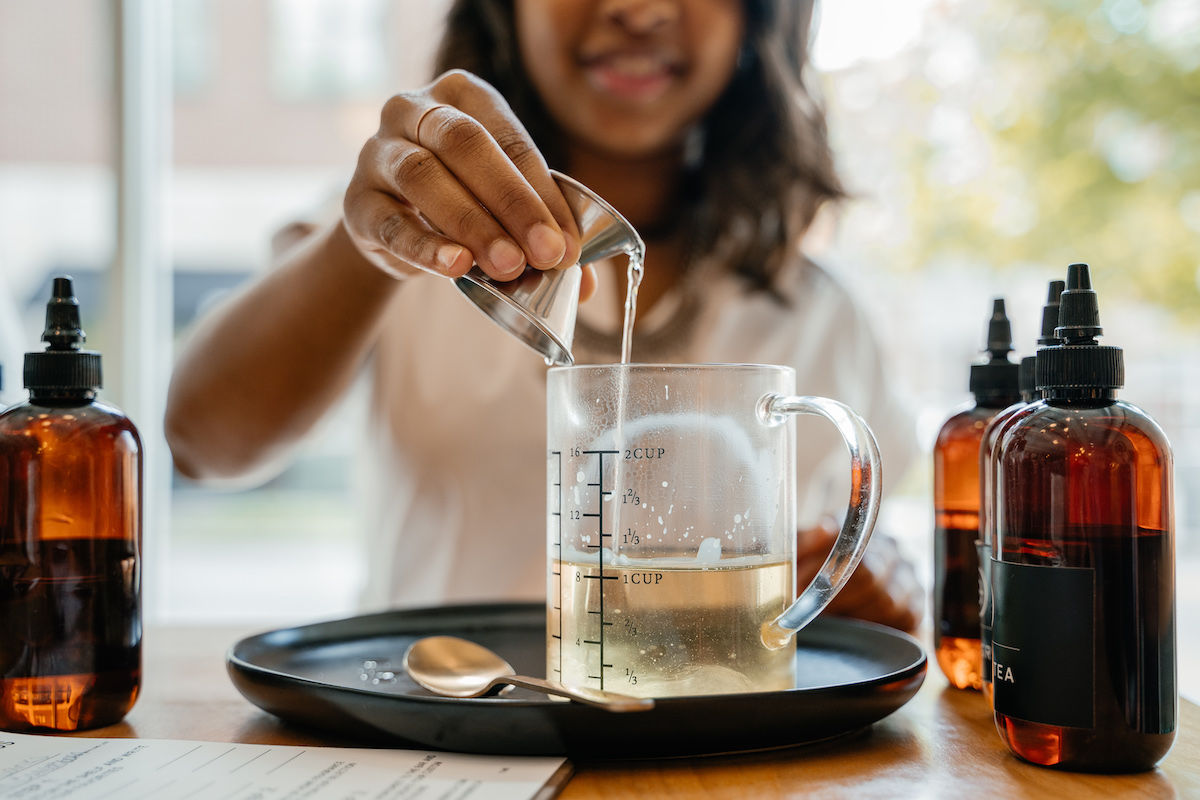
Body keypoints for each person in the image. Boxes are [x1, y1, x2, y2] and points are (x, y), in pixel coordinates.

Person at [165, 0, 922, 632]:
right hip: (435, 740)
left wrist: (872, 573)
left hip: (717, 752)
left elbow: (865, 538)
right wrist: (369, 251)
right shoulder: (397, 232)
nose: (640, 8)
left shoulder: (823, 314)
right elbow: (203, 442)